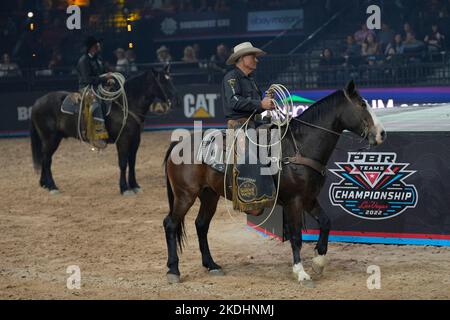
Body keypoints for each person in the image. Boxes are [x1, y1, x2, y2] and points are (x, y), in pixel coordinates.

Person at [222, 41, 276, 215]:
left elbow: (256, 106)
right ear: (242, 59)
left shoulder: (250, 80)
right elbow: (234, 101)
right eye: (252, 56)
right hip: (239, 125)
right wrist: (260, 104)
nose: (256, 60)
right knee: (249, 154)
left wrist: (265, 105)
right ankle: (249, 195)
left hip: (253, 123)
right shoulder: (232, 77)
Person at [76, 36, 114, 149]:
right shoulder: (83, 61)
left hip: (98, 87)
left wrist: (109, 78)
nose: (99, 47)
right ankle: (97, 136)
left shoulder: (98, 59)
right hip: (86, 88)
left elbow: (102, 72)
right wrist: (104, 78)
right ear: (93, 47)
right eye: (98, 45)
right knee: (96, 105)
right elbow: (87, 79)